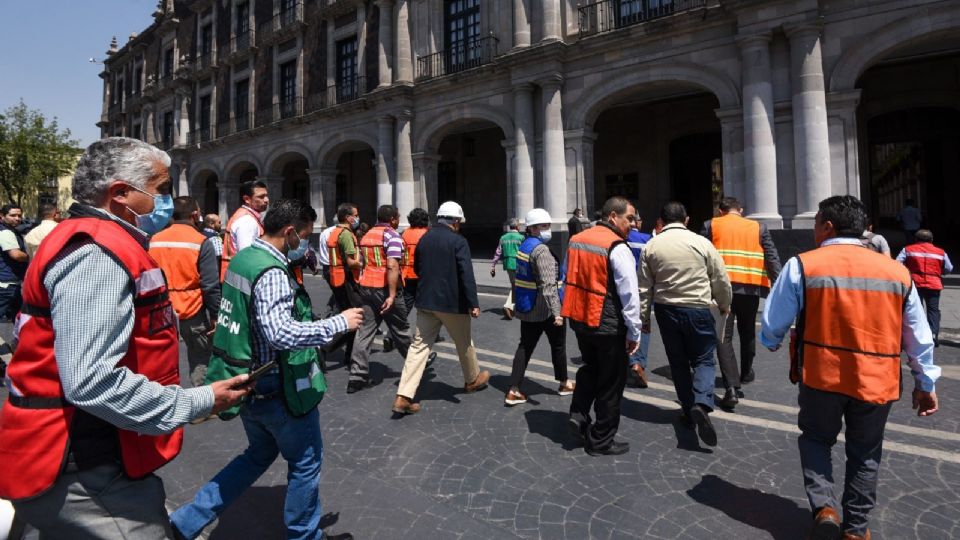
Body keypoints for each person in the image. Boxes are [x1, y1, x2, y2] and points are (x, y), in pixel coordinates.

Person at [0, 137, 249, 538]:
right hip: (81, 466)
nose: (169, 201)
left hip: (81, 459)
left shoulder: (100, 242)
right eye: (162, 190)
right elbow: (90, 380)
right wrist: (200, 399)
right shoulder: (96, 253)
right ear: (121, 194)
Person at [171, 199, 361, 540]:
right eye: (303, 236)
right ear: (290, 233)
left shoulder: (244, 258)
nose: (304, 243)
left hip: (249, 381)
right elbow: (281, 333)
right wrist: (338, 323)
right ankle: (305, 536)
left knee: (256, 455)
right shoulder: (271, 271)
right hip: (277, 386)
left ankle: (186, 521)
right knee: (305, 463)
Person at [760, 195, 940, 540]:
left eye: (814, 223)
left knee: (815, 438)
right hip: (878, 380)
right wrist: (925, 382)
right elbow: (919, 335)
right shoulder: (897, 272)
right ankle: (856, 529)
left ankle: (825, 508)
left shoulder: (804, 264)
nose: (813, 229)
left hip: (821, 375)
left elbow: (773, 320)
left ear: (827, 226)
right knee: (866, 451)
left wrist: (771, 341)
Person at [639, 201, 732, 447]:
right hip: (698, 308)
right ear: (687, 219)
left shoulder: (651, 246)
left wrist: (644, 318)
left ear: (661, 220)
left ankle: (688, 409)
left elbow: (643, 288)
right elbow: (720, 277)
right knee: (703, 359)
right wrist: (724, 303)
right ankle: (701, 402)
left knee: (678, 362)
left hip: (667, 310)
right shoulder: (702, 243)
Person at [392, 201, 490, 415]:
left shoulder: (425, 238)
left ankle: (404, 395)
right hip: (451, 304)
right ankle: (472, 380)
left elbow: (417, 267)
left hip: (426, 302)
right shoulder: (458, 241)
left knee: (419, 347)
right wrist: (473, 303)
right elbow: (467, 274)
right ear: (455, 221)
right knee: (464, 343)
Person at [563, 196, 642, 456]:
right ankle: (601, 440)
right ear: (612, 217)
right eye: (629, 218)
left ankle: (579, 413)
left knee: (590, 368)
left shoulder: (577, 239)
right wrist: (634, 332)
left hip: (580, 319)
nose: (633, 223)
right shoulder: (617, 247)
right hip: (607, 324)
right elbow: (629, 295)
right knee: (611, 382)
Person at [701, 197, 781, 410]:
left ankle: (731, 388)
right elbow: (772, 257)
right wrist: (779, 285)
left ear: (721, 210)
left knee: (723, 337)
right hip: (750, 288)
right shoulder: (758, 227)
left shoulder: (712, 225)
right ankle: (745, 373)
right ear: (741, 210)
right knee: (747, 332)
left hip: (721, 290)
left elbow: (701, 256)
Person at [149, 196, 222, 387]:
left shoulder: (155, 240)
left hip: (161, 308)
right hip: (192, 308)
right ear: (195, 214)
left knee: (162, 357)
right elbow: (210, 285)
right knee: (200, 356)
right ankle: (200, 404)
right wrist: (216, 314)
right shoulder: (201, 241)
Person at [504, 208, 575, 406]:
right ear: (533, 228)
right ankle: (564, 383)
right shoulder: (541, 250)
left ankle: (513, 389)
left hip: (528, 306)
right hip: (545, 308)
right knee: (558, 345)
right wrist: (557, 313)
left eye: (548, 225)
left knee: (524, 346)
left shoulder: (525, 245)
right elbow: (548, 286)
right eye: (544, 226)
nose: (548, 229)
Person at [347, 205, 412, 393]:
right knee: (401, 329)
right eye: (398, 217)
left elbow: (361, 262)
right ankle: (417, 363)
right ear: (392, 219)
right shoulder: (392, 236)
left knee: (364, 331)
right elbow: (392, 266)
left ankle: (356, 377)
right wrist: (392, 295)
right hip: (384, 290)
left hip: (366, 288)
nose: (399, 220)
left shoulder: (367, 235)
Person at [897, 229, 953, 346]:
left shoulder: (907, 250)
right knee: (933, 310)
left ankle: (916, 336)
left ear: (916, 239)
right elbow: (949, 268)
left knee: (915, 309)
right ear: (932, 239)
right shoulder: (941, 252)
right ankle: (933, 335)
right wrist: (939, 272)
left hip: (915, 284)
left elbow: (897, 263)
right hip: (934, 283)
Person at [326, 203, 364, 365]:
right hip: (347, 280)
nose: (357, 218)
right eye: (356, 215)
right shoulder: (346, 234)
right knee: (355, 317)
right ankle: (325, 348)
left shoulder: (335, 231)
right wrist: (364, 264)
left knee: (352, 317)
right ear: (348, 218)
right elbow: (351, 262)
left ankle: (349, 355)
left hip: (338, 278)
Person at [221, 179, 269, 280]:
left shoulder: (244, 216)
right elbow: (247, 257)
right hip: (243, 279)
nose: (266, 200)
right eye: (261, 197)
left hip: (236, 277)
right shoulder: (247, 221)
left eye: (266, 195)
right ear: (247, 199)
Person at [625, 215, 653, 388]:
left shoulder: (619, 239)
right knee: (643, 326)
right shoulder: (646, 239)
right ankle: (637, 362)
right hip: (642, 289)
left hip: (622, 289)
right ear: (637, 223)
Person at [0, 204, 29, 321]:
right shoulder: (6, 232)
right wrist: (31, 257)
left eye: (19, 215)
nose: (17, 218)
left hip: (12, 283)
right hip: (6, 285)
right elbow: (16, 255)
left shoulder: (11, 231)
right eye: (12, 215)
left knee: (19, 317)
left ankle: (19, 339)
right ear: (2, 216)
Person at [491, 218, 524, 319]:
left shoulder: (503, 237)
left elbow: (498, 252)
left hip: (508, 263)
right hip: (519, 263)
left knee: (514, 284)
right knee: (518, 285)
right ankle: (509, 306)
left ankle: (513, 307)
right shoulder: (521, 237)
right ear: (517, 226)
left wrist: (493, 265)